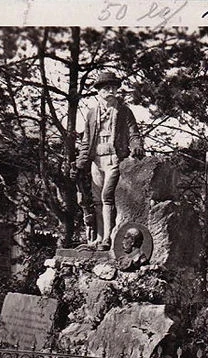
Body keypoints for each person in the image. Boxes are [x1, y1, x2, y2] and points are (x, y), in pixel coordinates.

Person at [76, 71, 144, 251]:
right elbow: (86, 140)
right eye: (107, 88)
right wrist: (81, 161)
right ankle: (98, 238)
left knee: (107, 196)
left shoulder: (124, 112)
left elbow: (133, 133)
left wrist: (136, 146)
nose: (111, 91)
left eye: (113, 88)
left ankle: (108, 237)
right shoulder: (91, 114)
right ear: (98, 91)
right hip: (96, 161)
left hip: (114, 159)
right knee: (97, 199)